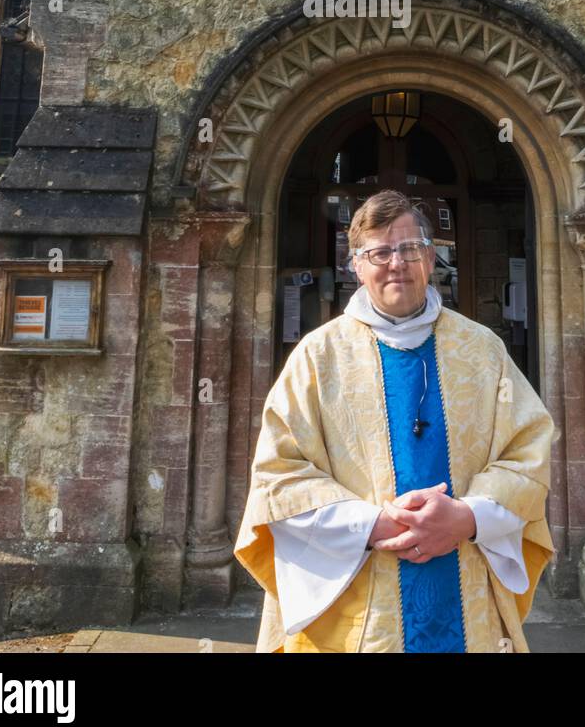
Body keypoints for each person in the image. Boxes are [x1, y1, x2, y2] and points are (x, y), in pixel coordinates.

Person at [234, 189, 555, 652]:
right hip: (364, 601)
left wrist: (467, 517)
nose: (396, 263)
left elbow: (528, 451)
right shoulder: (318, 357)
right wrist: (372, 524)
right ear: (356, 266)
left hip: (464, 582)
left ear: (430, 257)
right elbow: (277, 477)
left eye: (410, 248)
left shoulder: (483, 350)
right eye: (379, 252)